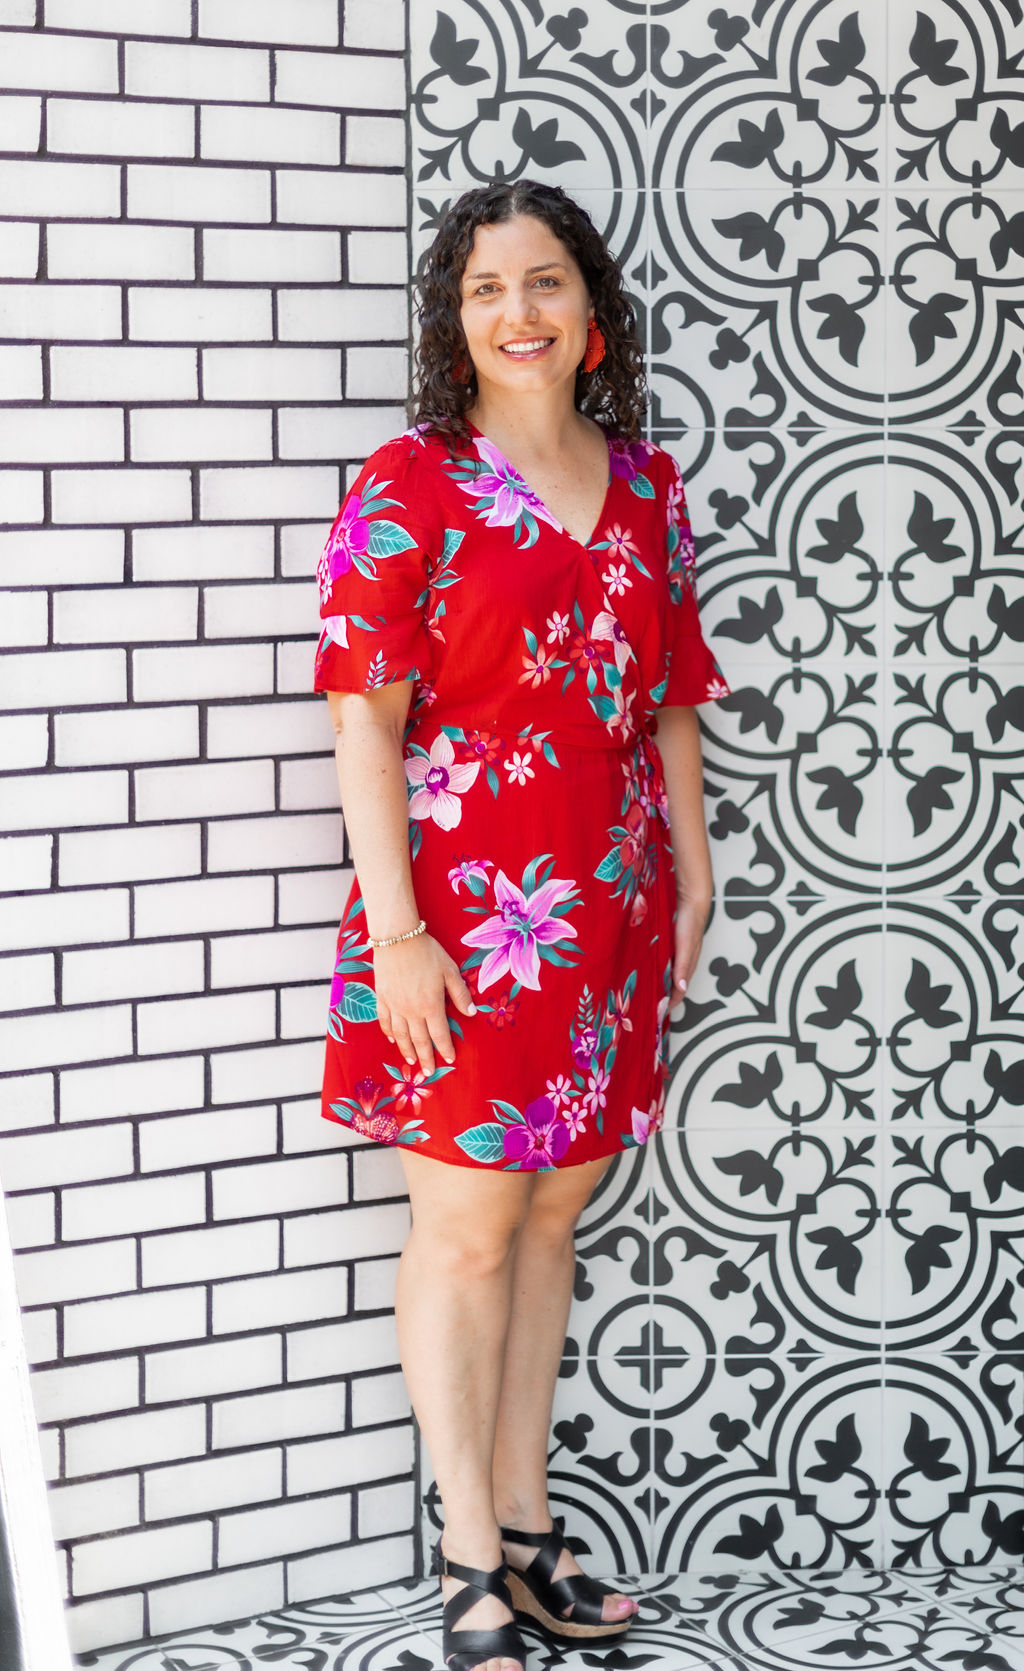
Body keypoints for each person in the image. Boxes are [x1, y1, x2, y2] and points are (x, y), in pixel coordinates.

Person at [313, 179, 730, 1671]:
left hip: (607, 905)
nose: (519, 312)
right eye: (485, 289)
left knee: (554, 1213)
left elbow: (668, 700)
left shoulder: (649, 485)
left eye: (545, 281)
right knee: (471, 1228)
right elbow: (364, 725)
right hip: (462, 921)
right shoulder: (412, 482)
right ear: (456, 321)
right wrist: (399, 936)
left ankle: (531, 1530)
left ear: (592, 311)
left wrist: (692, 869)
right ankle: (469, 1563)